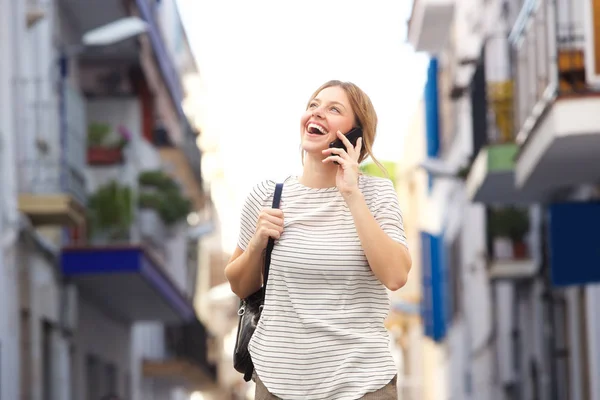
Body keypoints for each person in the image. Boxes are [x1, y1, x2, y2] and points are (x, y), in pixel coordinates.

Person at [225, 80, 412, 400]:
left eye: (333, 109)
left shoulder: (376, 194)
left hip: (362, 383)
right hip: (277, 383)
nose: (317, 113)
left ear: (355, 133)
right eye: (313, 105)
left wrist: (351, 193)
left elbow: (395, 275)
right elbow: (240, 286)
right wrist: (257, 243)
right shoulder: (267, 196)